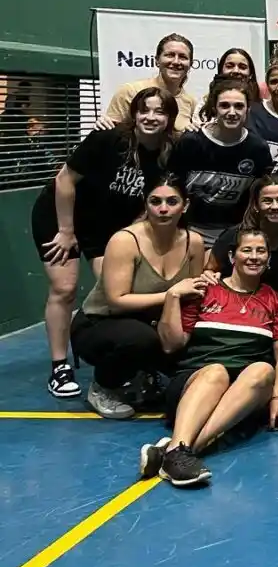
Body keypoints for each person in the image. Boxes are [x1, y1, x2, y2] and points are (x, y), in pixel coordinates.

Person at [30, 87, 179, 398]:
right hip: (60, 215)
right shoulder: (108, 139)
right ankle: (60, 366)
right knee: (65, 288)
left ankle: (131, 363)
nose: (150, 117)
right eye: (144, 110)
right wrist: (66, 231)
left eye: (159, 112)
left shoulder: (167, 154)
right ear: (134, 114)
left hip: (106, 229)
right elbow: (65, 180)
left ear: (169, 119)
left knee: (119, 293)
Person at [141, 228, 278, 487]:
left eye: (261, 251)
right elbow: (171, 344)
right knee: (216, 372)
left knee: (263, 370)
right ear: (232, 257)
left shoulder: (273, 298)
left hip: (244, 393)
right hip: (196, 381)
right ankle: (181, 452)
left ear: (268, 259)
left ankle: (177, 451)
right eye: (247, 250)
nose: (254, 256)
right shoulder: (206, 289)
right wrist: (173, 296)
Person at [70, 175, 208, 419]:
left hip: (153, 321)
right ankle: (103, 386)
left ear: (185, 206)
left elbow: (191, 295)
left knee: (195, 355)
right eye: (155, 201)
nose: (163, 209)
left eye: (172, 201)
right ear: (146, 205)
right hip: (100, 322)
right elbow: (117, 299)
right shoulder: (125, 240)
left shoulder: (194, 242)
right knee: (141, 340)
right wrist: (171, 294)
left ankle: (144, 373)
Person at [169, 76, 273, 244]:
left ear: (248, 109)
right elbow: (172, 187)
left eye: (239, 106)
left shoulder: (258, 149)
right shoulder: (191, 142)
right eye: (224, 106)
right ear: (214, 108)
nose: (232, 112)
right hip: (186, 231)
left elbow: (257, 197)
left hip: (234, 234)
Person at [206, 175, 278, 289]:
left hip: (276, 301)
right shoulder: (233, 235)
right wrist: (209, 276)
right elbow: (210, 269)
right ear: (256, 205)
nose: (275, 206)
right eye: (267, 201)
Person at [101, 33, 198, 130]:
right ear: (157, 61)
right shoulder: (130, 91)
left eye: (183, 57)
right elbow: (110, 133)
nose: (176, 61)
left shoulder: (191, 102)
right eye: (170, 55)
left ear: (190, 64)